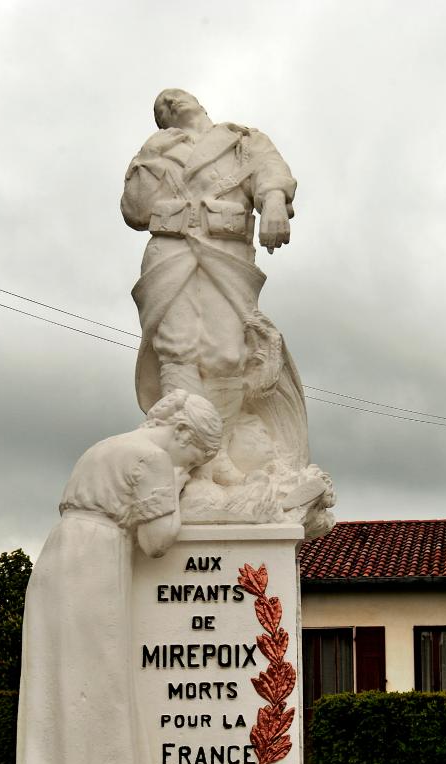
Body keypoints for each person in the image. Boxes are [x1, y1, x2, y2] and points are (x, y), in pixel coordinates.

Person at [7, 390, 222, 764]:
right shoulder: (153, 458)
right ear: (183, 433)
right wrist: (182, 482)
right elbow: (157, 540)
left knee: (59, 695)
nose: (194, 463)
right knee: (84, 696)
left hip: (65, 557)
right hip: (92, 568)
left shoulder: (105, 446)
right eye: (197, 455)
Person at [121, 89, 309, 485]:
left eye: (175, 96)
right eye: (160, 106)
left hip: (225, 249)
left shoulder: (240, 139)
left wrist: (273, 202)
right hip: (169, 253)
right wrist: (150, 158)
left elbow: (271, 171)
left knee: (227, 353)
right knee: (177, 350)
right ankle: (192, 464)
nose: (168, 102)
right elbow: (135, 212)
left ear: (200, 103)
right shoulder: (155, 149)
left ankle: (217, 452)